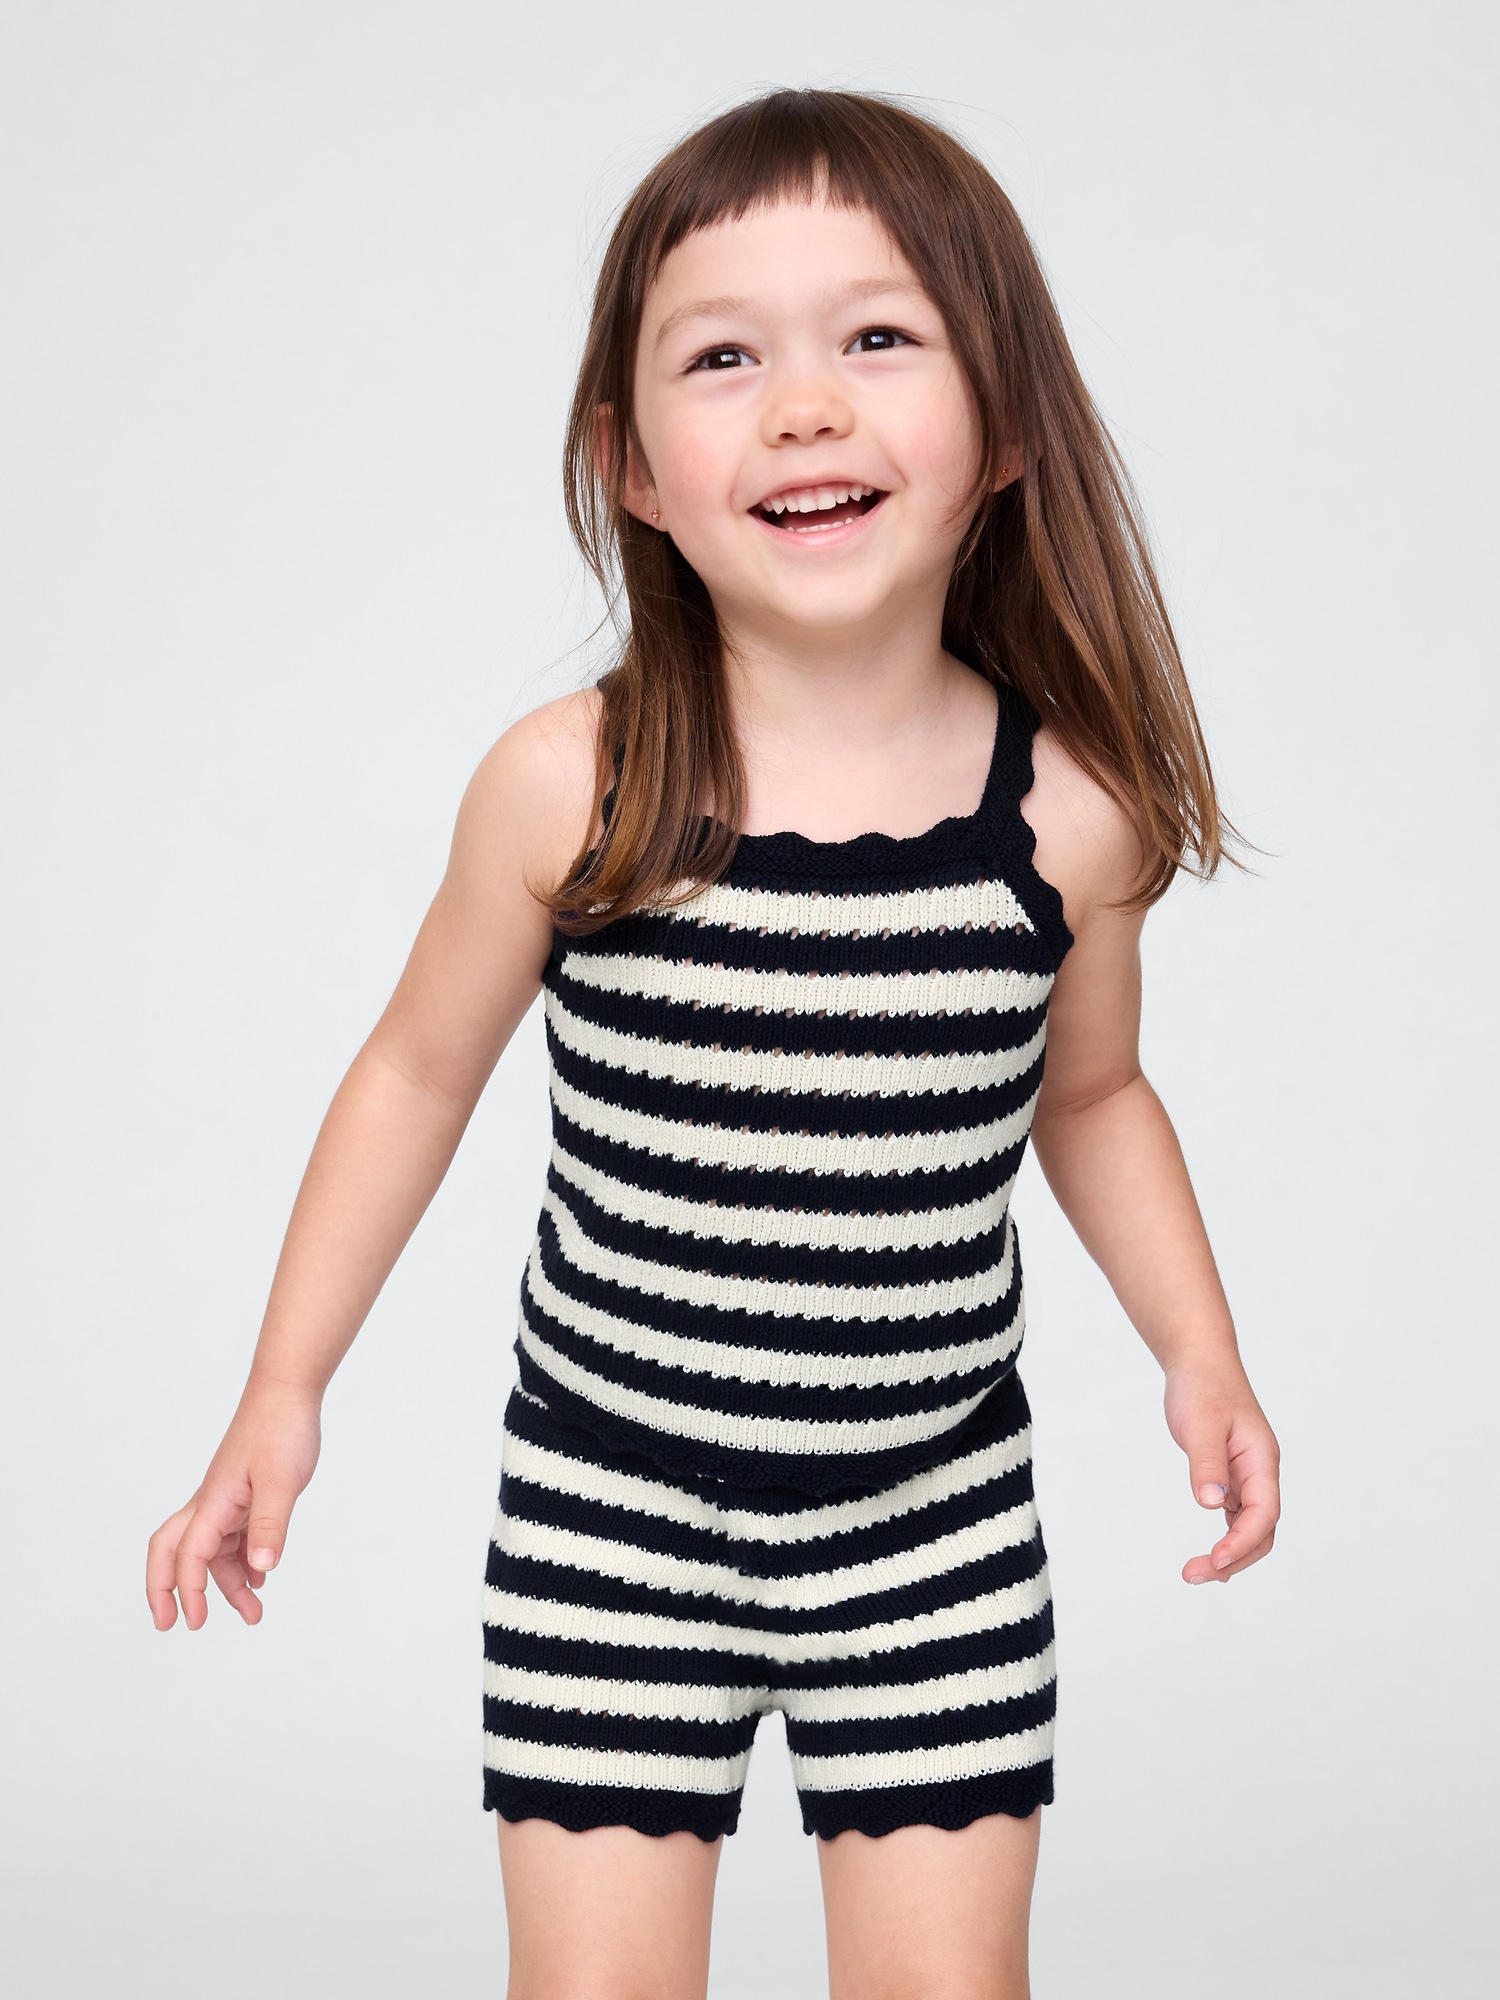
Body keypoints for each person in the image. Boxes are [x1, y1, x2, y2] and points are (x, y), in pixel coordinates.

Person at [147, 88, 1280, 2000]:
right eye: (726, 358)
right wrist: (283, 1390)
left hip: (931, 1516)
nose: (805, 407)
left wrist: (1202, 1352)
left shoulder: (1066, 814)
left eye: (879, 337)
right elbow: (414, 1076)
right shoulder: (572, 788)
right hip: (614, 1506)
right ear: (636, 467)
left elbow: (1090, 1095)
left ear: (1007, 425)